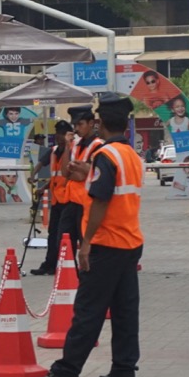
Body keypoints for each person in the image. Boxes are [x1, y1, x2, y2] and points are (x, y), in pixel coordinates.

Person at [32, 92, 143, 377]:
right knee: (124, 310)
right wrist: (87, 176)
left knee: (88, 309)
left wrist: (86, 243)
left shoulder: (106, 156)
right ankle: (123, 368)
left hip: (107, 242)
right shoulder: (130, 155)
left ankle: (67, 371)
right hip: (130, 241)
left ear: (99, 122)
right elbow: (109, 186)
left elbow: (101, 200)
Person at [27, 120, 73, 276]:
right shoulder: (53, 151)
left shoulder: (72, 151)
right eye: (57, 133)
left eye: (62, 134)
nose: (58, 137)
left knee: (64, 235)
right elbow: (45, 168)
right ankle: (49, 265)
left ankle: (66, 265)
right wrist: (35, 178)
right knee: (53, 234)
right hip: (57, 200)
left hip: (70, 200)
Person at [61, 104, 102, 266]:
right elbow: (65, 172)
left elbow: (80, 176)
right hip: (71, 202)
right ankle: (69, 276)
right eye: (75, 125)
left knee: (85, 243)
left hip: (86, 204)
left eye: (80, 124)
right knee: (64, 243)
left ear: (91, 123)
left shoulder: (97, 146)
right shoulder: (76, 145)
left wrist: (76, 172)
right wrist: (66, 146)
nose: (77, 128)